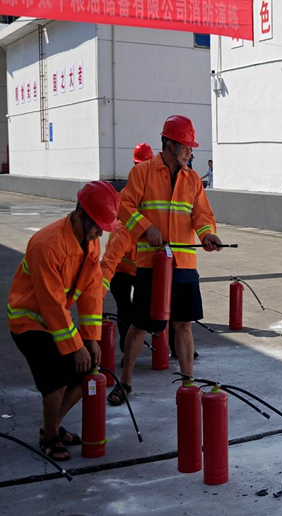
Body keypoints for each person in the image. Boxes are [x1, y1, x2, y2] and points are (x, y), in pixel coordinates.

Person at [110, 115, 222, 405]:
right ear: (169, 144)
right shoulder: (143, 172)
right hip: (152, 265)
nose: (189, 152)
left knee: (183, 325)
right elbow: (124, 206)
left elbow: (202, 215)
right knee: (139, 324)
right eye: (185, 146)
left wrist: (208, 234)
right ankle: (125, 383)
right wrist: (146, 228)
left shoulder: (192, 179)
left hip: (184, 265)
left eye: (191, 148)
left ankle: (188, 384)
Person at [7, 181, 118, 460]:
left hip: (56, 322)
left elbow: (91, 292)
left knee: (86, 370)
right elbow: (51, 303)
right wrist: (75, 346)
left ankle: (51, 428)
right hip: (29, 322)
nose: (100, 233)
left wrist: (91, 339)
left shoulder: (90, 243)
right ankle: (50, 437)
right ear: (81, 214)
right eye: (97, 226)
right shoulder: (47, 244)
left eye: (103, 228)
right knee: (56, 377)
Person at [100, 143, 154, 353]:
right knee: (125, 309)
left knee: (155, 307)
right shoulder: (127, 206)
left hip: (143, 267)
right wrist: (98, 293)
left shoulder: (154, 194)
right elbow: (110, 260)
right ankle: (127, 350)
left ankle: (174, 345)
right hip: (122, 269)